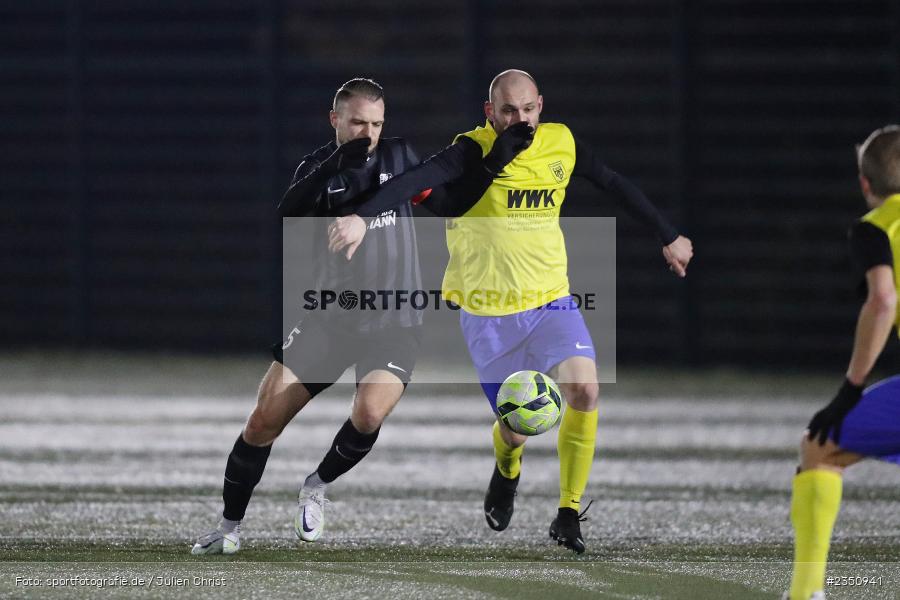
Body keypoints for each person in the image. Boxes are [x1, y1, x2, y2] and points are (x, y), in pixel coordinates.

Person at [330, 69, 694, 554]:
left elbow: (614, 182)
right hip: (488, 315)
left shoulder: (561, 143)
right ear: (490, 112)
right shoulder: (471, 150)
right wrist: (361, 216)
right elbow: (415, 180)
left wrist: (667, 234)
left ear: (540, 106)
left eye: (527, 109)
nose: (519, 119)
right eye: (508, 111)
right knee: (518, 427)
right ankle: (506, 470)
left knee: (585, 389)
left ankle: (568, 513)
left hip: (551, 301)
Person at [190, 77, 490, 554]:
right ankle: (228, 529)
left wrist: (493, 165)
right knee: (263, 421)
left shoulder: (398, 157)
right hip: (331, 319)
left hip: (395, 322)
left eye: (376, 123)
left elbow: (447, 202)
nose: (368, 133)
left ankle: (317, 484)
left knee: (369, 413)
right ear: (335, 120)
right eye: (357, 123)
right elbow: (288, 213)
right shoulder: (318, 170)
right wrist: (334, 165)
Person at [784, 124, 900, 600]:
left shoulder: (876, 227)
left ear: (865, 183)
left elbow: (883, 300)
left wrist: (851, 389)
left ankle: (806, 591)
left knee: (820, 447)